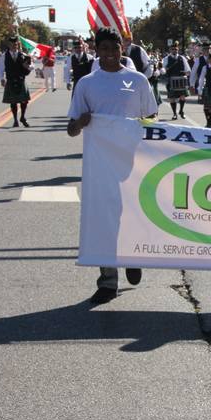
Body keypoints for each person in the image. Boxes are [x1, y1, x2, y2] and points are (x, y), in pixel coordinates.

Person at [65, 27, 158, 304]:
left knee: (132, 214)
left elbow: (151, 118)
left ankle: (132, 256)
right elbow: (71, 128)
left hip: (132, 162)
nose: (109, 54)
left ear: (122, 50)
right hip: (100, 166)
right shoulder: (87, 84)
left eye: (114, 49)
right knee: (103, 220)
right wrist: (80, 123)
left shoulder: (138, 80)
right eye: (103, 49)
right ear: (97, 50)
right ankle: (107, 281)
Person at [0, 35, 34, 128]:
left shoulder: (23, 55)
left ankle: (22, 117)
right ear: (9, 45)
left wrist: (27, 66)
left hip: (21, 79)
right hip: (10, 80)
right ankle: (15, 120)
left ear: (18, 45)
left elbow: (32, 65)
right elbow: (0, 68)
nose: (14, 46)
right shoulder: (4, 56)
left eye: (16, 44)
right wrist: (1, 78)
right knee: (13, 102)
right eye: (12, 44)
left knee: (24, 101)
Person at [163, 41, 191, 120]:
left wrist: (186, 74)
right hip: (171, 80)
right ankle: (174, 113)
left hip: (181, 80)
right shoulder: (166, 59)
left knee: (182, 97)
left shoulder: (182, 58)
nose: (174, 50)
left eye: (176, 49)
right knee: (172, 98)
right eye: (173, 49)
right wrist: (163, 71)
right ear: (170, 50)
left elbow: (188, 69)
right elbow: (163, 69)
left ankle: (181, 111)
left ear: (177, 49)